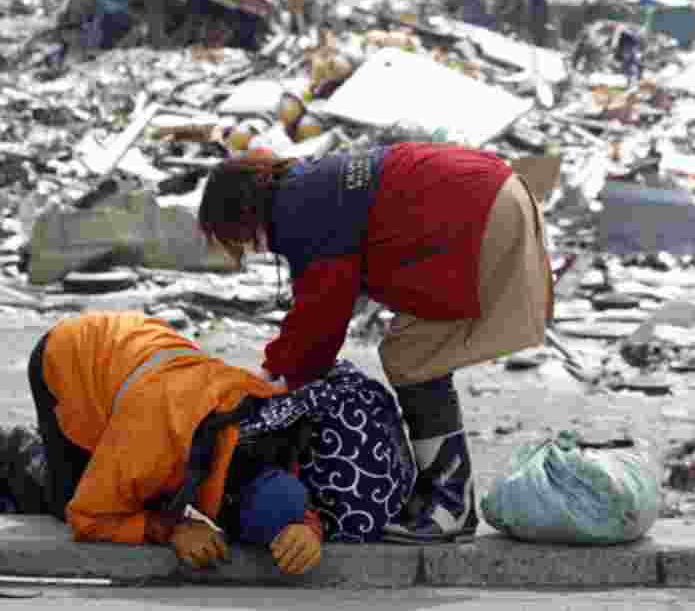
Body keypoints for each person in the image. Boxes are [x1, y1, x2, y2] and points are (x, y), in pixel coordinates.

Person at [197, 141, 554, 544]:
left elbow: (321, 313)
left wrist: (272, 380)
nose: (252, 248)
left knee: (413, 356)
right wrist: (285, 364)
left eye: (240, 238)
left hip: (476, 208)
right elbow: (333, 291)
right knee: (414, 351)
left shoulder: (297, 211)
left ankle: (450, 506)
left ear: (242, 213)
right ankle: (448, 499)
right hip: (490, 188)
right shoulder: (307, 185)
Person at [26, 311, 323, 575]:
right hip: (70, 351)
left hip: (144, 357)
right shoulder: (150, 441)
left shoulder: (266, 426)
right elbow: (87, 516)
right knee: (64, 502)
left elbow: (285, 487)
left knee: (142, 485)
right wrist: (171, 531)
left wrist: (307, 530)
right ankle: (18, 449)